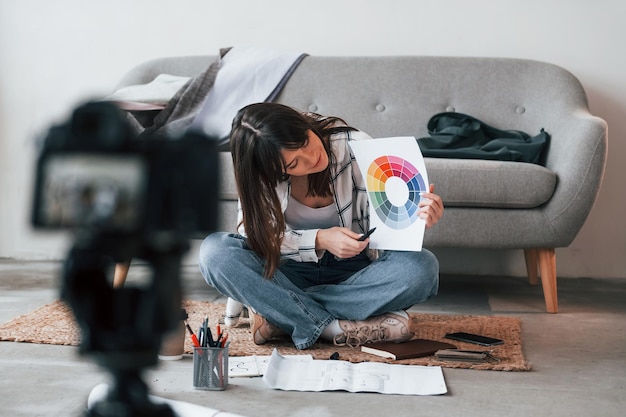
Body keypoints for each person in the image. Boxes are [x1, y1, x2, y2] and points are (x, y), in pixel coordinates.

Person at [198, 103, 444, 350]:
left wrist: (417, 214)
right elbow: (257, 237)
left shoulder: (355, 146)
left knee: (422, 267)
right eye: (293, 165)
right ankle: (330, 327)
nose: (311, 157)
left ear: (304, 126)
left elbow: (386, 221)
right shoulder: (260, 173)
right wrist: (320, 239)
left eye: (305, 141)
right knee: (215, 253)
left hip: (353, 274)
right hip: (286, 273)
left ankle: (280, 315)